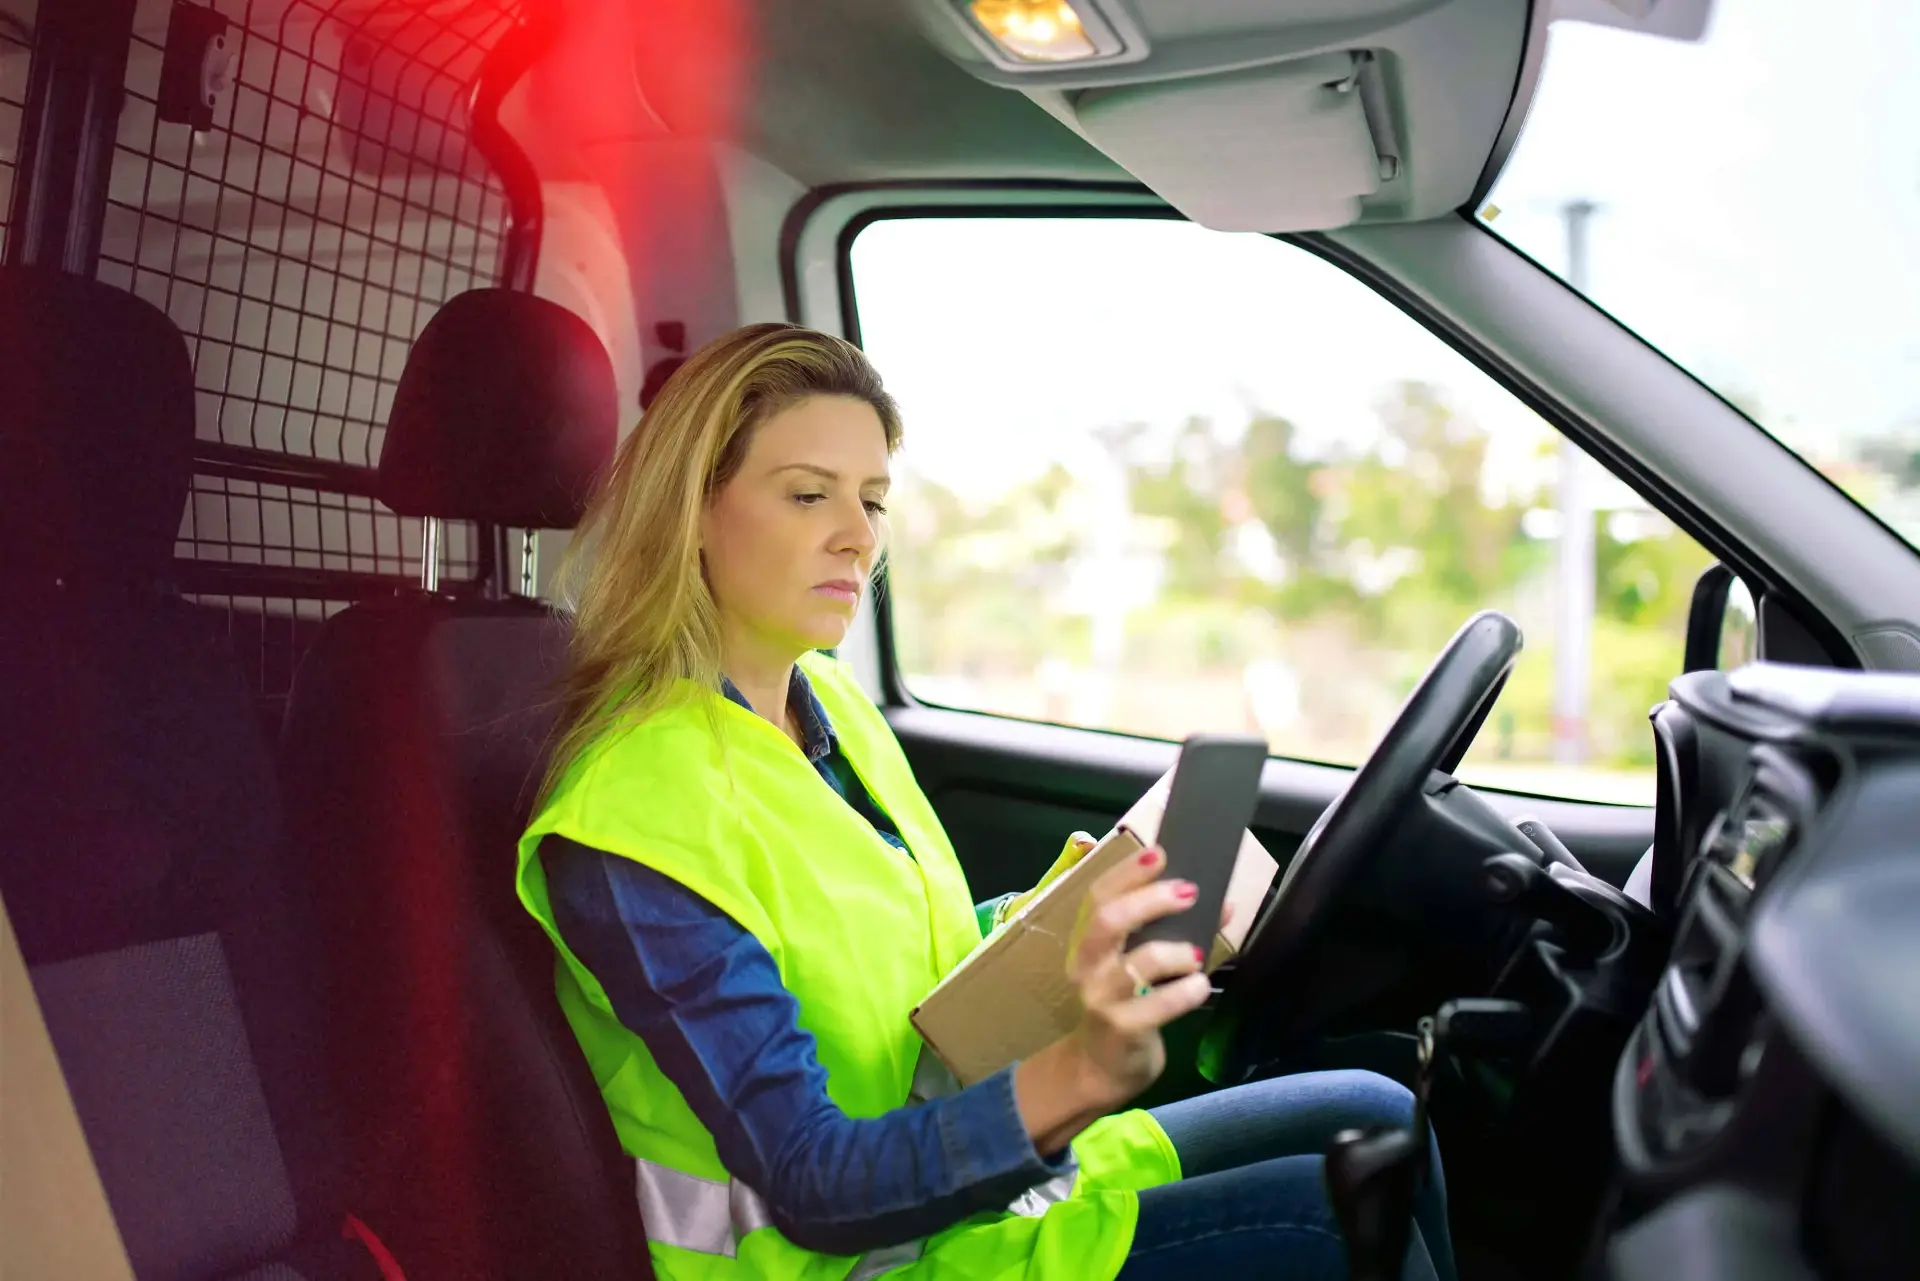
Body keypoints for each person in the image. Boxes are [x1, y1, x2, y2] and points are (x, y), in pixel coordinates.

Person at [516, 323, 1455, 1281]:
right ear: (693, 510)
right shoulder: (632, 818)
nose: (858, 535)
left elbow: (874, 953)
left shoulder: (827, 701)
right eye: (808, 494)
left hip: (965, 1191)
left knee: (1375, 1111)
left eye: (872, 500)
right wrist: (1077, 1075)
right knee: (1333, 1220)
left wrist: (1052, 923)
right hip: (852, 1259)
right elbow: (814, 1184)